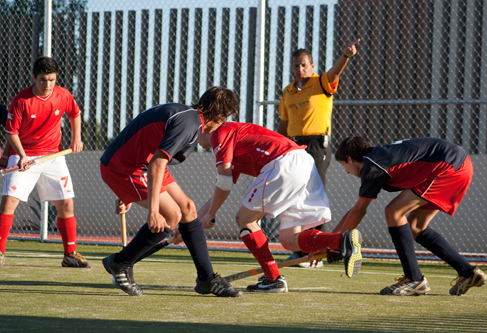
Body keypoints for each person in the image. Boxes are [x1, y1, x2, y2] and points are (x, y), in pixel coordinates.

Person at [100, 87, 242, 298]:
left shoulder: (189, 117)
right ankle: (120, 263)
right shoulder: (190, 124)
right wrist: (153, 211)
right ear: (220, 117)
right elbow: (158, 162)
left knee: (188, 209)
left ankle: (206, 279)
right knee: (171, 216)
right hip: (126, 167)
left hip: (141, 162)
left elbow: (144, 142)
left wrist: (128, 193)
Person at [197, 122, 362, 293]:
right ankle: (340, 241)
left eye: (196, 130)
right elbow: (222, 190)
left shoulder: (220, 134)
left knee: (244, 219)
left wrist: (210, 214)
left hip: (283, 162)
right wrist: (191, 225)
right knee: (289, 240)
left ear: (205, 125)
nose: (193, 138)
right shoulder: (235, 138)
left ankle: (273, 278)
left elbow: (223, 184)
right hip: (303, 161)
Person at [333, 136, 487, 296]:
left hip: (448, 167)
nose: (346, 171)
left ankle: (414, 279)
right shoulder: (378, 157)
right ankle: (469, 273)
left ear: (349, 158)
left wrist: (335, 243)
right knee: (416, 226)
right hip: (458, 165)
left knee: (394, 211)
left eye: (343, 165)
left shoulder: (373, 165)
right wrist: (332, 237)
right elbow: (356, 209)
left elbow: (359, 210)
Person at [0, 56, 90, 268]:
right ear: (33, 78)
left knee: (66, 203)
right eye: (42, 80)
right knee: (8, 202)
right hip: (25, 155)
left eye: (52, 79)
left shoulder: (63, 95)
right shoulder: (21, 101)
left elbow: (75, 114)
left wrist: (76, 138)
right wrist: (21, 154)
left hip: (53, 155)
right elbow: (11, 133)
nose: (48, 85)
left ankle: (70, 254)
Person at [276, 40, 360, 265]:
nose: (300, 70)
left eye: (304, 65)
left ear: (312, 66)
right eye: (296, 66)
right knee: (295, 193)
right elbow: (283, 125)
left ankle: (317, 249)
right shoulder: (288, 92)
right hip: (294, 146)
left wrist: (346, 55)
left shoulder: (320, 83)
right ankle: (301, 246)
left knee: (314, 193)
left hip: (316, 145)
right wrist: (277, 147)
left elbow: (335, 72)